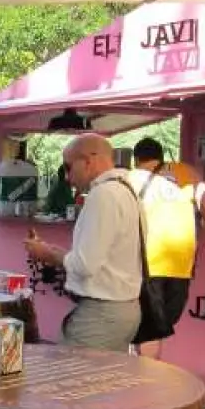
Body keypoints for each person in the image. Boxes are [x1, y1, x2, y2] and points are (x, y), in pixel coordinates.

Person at [24, 134, 142, 353]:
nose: (67, 177)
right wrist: (52, 251)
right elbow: (100, 258)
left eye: (68, 167)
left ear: (88, 161)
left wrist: (47, 254)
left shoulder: (103, 194)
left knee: (67, 373)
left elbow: (84, 265)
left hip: (101, 313)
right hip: (121, 308)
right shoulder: (125, 190)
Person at [132, 138, 205, 359]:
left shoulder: (133, 177)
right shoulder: (188, 173)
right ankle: (147, 370)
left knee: (150, 330)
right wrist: (198, 240)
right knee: (158, 326)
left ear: (137, 159)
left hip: (149, 262)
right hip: (182, 263)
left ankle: (145, 377)